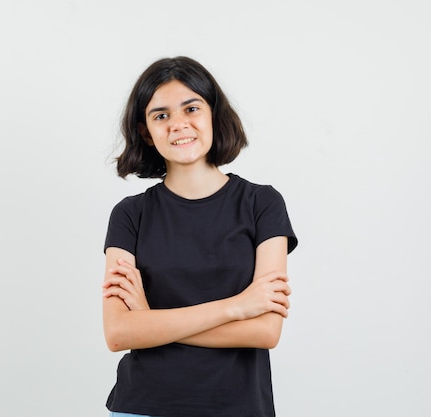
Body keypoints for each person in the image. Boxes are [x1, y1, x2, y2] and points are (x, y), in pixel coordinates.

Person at [102, 56, 298, 417]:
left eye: (191, 108)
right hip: (142, 407)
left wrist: (151, 322)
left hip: (239, 408)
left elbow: (266, 331)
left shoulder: (263, 204)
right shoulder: (130, 215)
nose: (178, 124)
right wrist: (235, 307)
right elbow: (118, 333)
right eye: (160, 115)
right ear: (146, 131)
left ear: (213, 114)